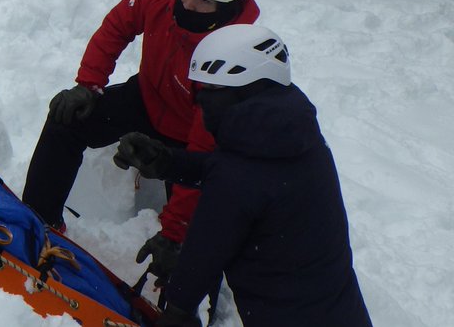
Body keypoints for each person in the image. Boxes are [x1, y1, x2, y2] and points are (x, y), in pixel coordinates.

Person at [22, 0, 260, 284]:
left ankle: (178, 295)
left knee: (192, 240)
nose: (188, 3)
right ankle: (37, 222)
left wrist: (175, 232)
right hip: (147, 97)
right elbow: (117, 27)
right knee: (67, 120)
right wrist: (88, 84)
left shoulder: (233, 55)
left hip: (189, 140)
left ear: (231, 2)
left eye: (205, 0)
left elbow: (204, 148)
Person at [114, 24, 373, 327]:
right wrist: (166, 162)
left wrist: (178, 311)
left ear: (246, 90)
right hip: (340, 309)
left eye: (212, 90)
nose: (199, 101)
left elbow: (206, 248)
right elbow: (246, 181)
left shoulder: (241, 172)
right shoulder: (291, 134)